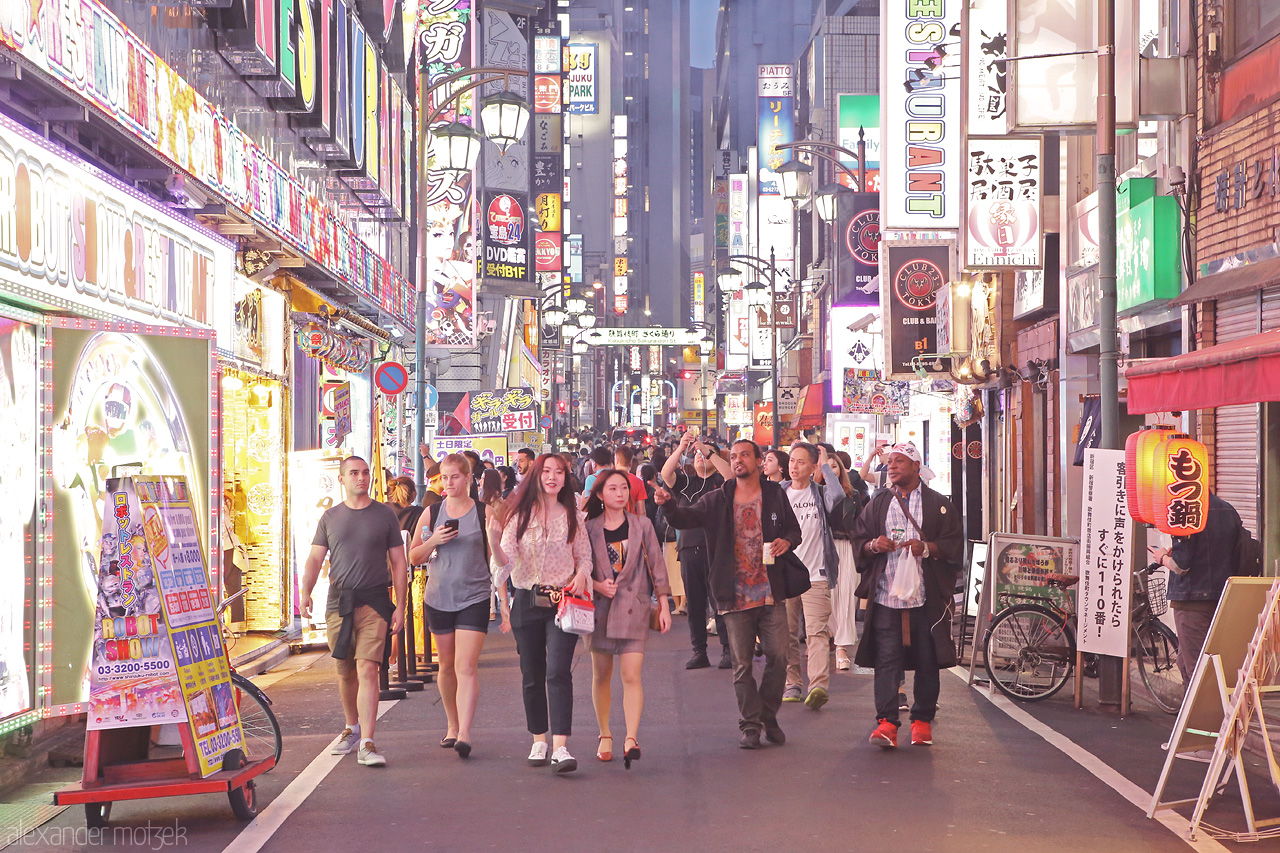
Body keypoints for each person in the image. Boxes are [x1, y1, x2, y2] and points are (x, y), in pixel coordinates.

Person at [655, 440, 802, 749]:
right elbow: (685, 519)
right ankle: (750, 724)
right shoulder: (718, 498)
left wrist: (785, 543)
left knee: (778, 656)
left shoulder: (775, 494)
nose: (737, 461)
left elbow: (794, 531)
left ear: (759, 461)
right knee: (742, 665)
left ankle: (768, 714)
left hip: (770, 591)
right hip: (733, 594)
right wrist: (668, 504)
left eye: (744, 455)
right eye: (733, 457)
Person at [850, 443, 962, 749]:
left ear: (916, 466)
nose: (893, 467)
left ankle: (922, 721)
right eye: (890, 462)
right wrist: (874, 546)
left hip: (925, 598)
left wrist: (925, 548)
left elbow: (953, 544)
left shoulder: (938, 504)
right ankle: (886, 722)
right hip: (887, 595)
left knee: (928, 659)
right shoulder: (878, 502)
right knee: (887, 660)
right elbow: (859, 538)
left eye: (899, 461)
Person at [301, 456, 408, 767]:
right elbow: (314, 559)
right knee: (345, 670)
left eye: (364, 473)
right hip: (339, 603)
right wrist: (305, 593)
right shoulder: (330, 517)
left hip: (375, 601)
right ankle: (352, 726)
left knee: (368, 668)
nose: (361, 478)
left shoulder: (385, 515)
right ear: (342, 479)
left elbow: (399, 562)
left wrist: (400, 605)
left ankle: (368, 741)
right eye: (354, 473)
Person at [489, 454, 592, 773]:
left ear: (565, 478)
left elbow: (584, 557)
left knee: (558, 670)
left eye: (559, 472)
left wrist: (582, 575)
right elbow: (504, 563)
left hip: (563, 601)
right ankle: (539, 739)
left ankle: (561, 746)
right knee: (532, 673)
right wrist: (493, 542)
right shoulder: (519, 516)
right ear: (536, 477)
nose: (552, 477)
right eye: (546, 471)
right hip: (527, 600)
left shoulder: (571, 513)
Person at [584, 471, 672, 768]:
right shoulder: (588, 528)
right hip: (600, 609)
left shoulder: (642, 525)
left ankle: (631, 738)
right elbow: (579, 567)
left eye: (624, 488)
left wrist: (664, 604)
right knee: (602, 674)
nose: (620, 493)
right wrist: (597, 585)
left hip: (635, 605)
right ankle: (605, 733)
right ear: (600, 495)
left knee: (632, 674)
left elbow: (657, 566)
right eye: (612, 488)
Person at [408, 454, 494, 758]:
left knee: (466, 666)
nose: (449, 484)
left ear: (468, 478)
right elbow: (414, 556)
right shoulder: (432, 512)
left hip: (475, 595)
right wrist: (435, 541)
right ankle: (452, 724)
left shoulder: (484, 513)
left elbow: (495, 554)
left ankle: (466, 734)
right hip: (439, 595)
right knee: (446, 665)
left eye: (455, 477)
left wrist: (503, 601)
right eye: (444, 478)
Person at [1151, 492, 1245, 682]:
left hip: (1191, 602)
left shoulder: (1184, 512)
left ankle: (1203, 711)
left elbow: (1181, 565)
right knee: (1190, 663)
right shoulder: (1227, 509)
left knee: (1196, 668)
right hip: (1223, 598)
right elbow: (1237, 553)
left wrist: (1162, 558)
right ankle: (1194, 709)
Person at [780, 443, 845, 709]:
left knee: (817, 632)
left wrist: (826, 465)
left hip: (816, 572)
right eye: (792, 461)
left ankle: (818, 685)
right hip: (785, 573)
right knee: (786, 632)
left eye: (801, 462)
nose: (794, 467)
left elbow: (838, 495)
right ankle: (792, 682)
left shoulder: (819, 493)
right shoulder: (779, 492)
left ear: (812, 467)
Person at [661, 430, 731, 669]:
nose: (700, 457)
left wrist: (708, 449)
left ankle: (727, 649)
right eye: (697, 454)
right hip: (689, 548)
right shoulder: (685, 481)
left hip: (718, 549)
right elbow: (665, 473)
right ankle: (699, 651)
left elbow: (730, 475)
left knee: (720, 601)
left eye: (705, 454)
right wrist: (681, 448)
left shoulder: (721, 483)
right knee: (695, 603)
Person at [823, 454, 868, 671]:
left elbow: (860, 525)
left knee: (847, 599)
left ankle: (841, 647)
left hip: (847, 548)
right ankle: (828, 635)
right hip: (824, 549)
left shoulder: (854, 495)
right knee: (827, 598)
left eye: (835, 466)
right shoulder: (816, 493)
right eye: (827, 466)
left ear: (841, 469)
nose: (831, 470)